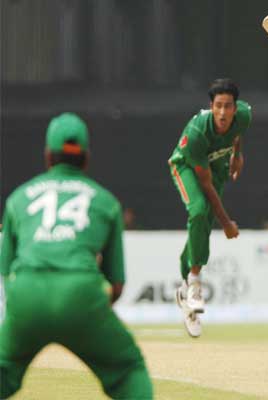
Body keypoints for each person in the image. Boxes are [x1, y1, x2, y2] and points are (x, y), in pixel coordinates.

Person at [0, 113, 153, 399]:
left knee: (3, 370)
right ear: (86, 158)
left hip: (26, 294)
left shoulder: (18, 198)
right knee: (128, 369)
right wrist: (85, 311)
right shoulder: (106, 202)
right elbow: (117, 284)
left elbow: (5, 270)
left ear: (48, 156)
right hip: (81, 294)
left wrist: (23, 308)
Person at [168, 78, 252, 338]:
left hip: (217, 165)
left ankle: (185, 287)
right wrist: (226, 223)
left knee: (202, 223)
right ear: (211, 107)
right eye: (218, 106)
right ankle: (193, 282)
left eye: (228, 106)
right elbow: (205, 185)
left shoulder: (245, 115)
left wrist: (237, 156)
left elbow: (236, 134)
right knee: (199, 211)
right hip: (186, 166)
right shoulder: (197, 134)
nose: (223, 113)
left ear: (235, 108)